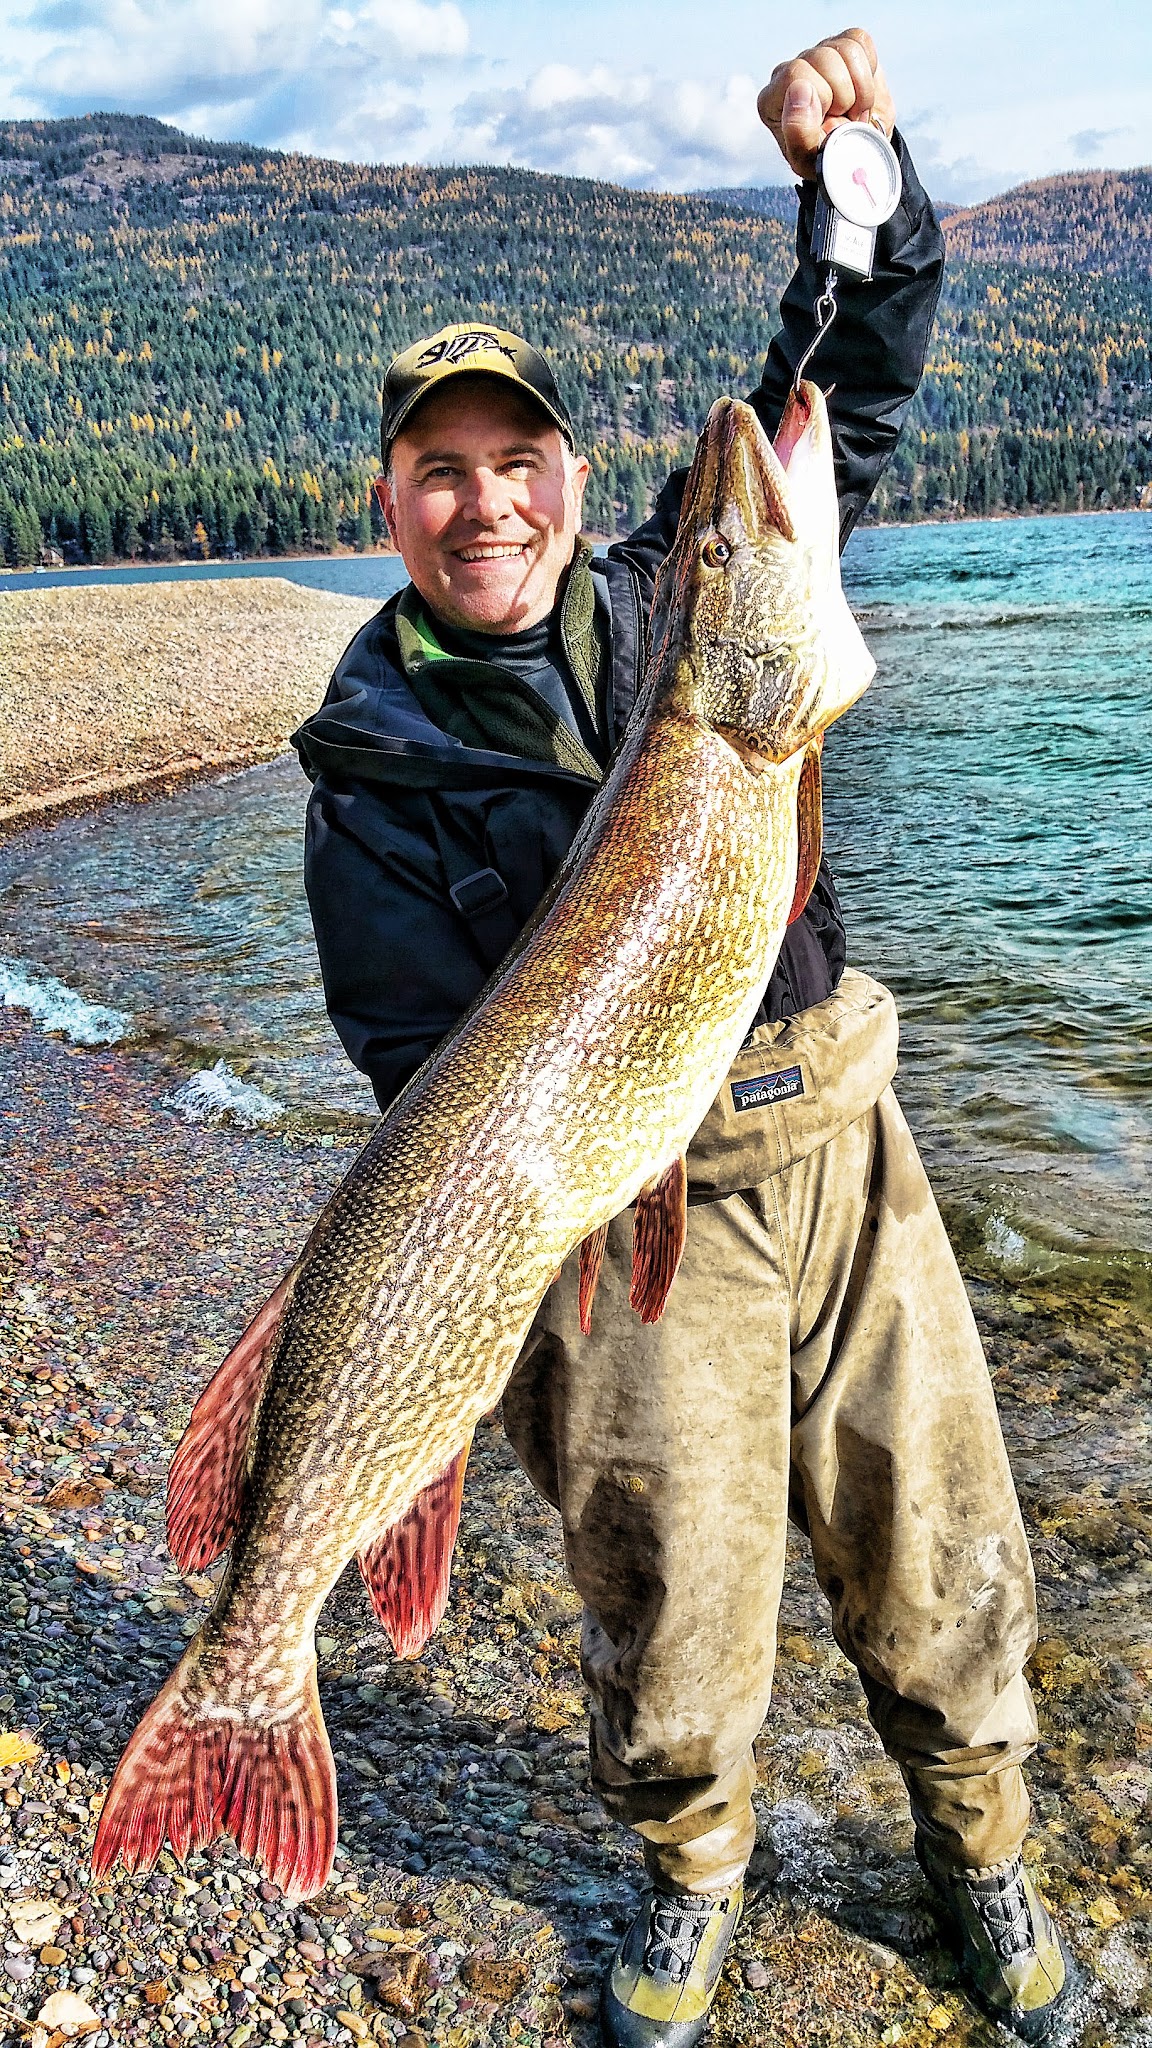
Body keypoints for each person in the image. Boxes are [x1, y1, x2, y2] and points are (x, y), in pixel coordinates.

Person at [292, 29, 1076, 2048]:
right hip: (613, 1203)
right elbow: (420, 1078)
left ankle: (982, 1845)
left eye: (518, 463)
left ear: (564, 480)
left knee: (940, 1526)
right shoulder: (369, 780)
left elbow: (846, 366)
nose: (487, 506)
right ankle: (695, 1865)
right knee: (671, 1588)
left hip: (843, 1142)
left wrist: (855, 176)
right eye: (439, 472)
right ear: (393, 503)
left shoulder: (679, 609)